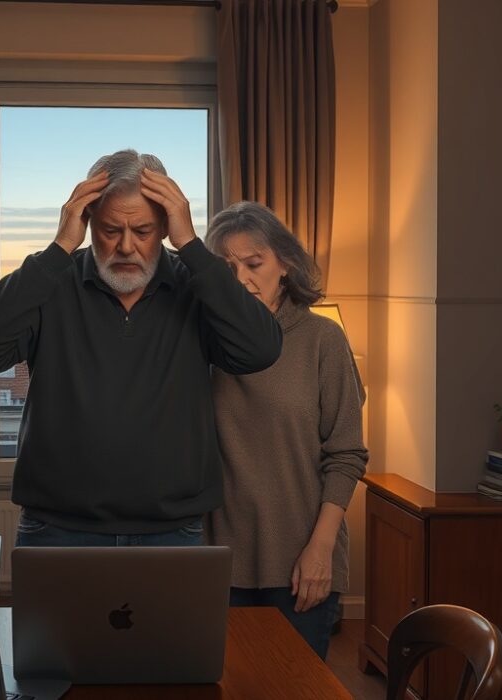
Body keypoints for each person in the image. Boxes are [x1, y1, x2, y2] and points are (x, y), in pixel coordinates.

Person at [0, 150, 282, 546]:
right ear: (87, 223)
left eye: (142, 231)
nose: (126, 247)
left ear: (163, 227)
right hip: (57, 528)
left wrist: (192, 246)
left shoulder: (198, 286)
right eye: (110, 230)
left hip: (172, 530)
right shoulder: (51, 282)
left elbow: (260, 350)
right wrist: (58, 249)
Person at [204, 201, 369, 660]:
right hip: (219, 559)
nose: (241, 279)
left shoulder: (323, 339)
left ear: (285, 264)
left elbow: (347, 454)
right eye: (227, 268)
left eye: (254, 264)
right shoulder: (204, 341)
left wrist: (320, 550)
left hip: (302, 560)